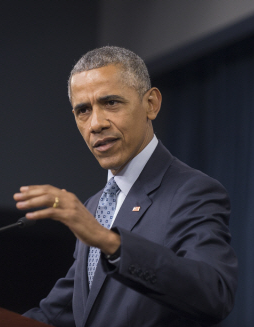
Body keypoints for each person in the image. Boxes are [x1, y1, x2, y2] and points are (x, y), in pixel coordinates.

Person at [14, 46, 238, 327]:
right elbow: (62, 313)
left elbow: (214, 294)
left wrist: (108, 241)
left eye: (111, 103)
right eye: (83, 110)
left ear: (151, 104)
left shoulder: (192, 191)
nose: (95, 124)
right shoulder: (95, 206)